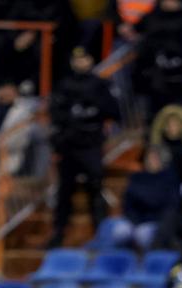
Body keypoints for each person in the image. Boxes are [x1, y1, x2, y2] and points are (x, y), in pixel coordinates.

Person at [49, 46, 117, 246]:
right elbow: (56, 114)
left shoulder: (100, 85)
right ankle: (59, 232)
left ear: (91, 60)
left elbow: (113, 111)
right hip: (69, 145)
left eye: (84, 58)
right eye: (76, 59)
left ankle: (102, 234)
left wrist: (93, 104)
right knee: (64, 192)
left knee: (95, 189)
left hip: (91, 145)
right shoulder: (64, 85)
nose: (80, 63)